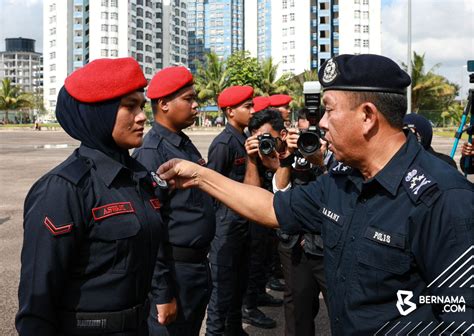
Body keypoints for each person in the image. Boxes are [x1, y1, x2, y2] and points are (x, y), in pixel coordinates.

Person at [157, 54, 474, 335]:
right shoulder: (342, 181)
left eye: (329, 110)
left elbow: (461, 318)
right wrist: (200, 175)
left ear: (367, 116)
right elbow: (272, 207)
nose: (321, 123)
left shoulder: (444, 199)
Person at [16, 57, 177, 335]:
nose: (142, 116)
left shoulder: (139, 176)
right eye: (129, 106)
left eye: (140, 105)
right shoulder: (63, 189)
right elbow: (37, 303)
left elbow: (152, 251)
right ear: (98, 113)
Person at [132, 66, 215, 336]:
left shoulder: (182, 144)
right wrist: (162, 293)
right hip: (174, 271)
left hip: (195, 268)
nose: (196, 106)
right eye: (188, 99)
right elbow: (149, 230)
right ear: (164, 104)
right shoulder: (152, 153)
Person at [272, 111, 329, 336]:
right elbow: (280, 192)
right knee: (297, 309)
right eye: (302, 125)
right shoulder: (292, 151)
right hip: (296, 244)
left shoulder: (338, 150)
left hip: (328, 243)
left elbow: (341, 194)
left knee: (342, 308)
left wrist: (321, 162)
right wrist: (286, 158)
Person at [206, 85, 254, 336]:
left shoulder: (244, 139)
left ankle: (235, 330)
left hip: (242, 222)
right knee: (221, 289)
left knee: (239, 283)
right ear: (230, 111)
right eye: (247, 106)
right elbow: (212, 187)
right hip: (225, 226)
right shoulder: (223, 143)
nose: (252, 110)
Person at [241, 109, 285, 330]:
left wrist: (280, 164)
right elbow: (251, 193)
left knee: (266, 257)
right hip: (258, 219)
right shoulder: (255, 156)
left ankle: (259, 294)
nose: (263, 143)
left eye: (267, 138)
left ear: (282, 135)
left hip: (279, 218)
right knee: (255, 259)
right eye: (258, 138)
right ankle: (249, 306)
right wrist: (252, 159)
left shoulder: (290, 153)